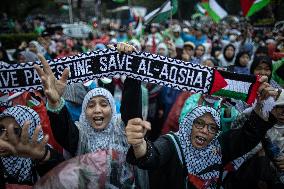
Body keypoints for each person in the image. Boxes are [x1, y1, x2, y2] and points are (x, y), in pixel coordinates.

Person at [125, 75, 280, 188]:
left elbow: (248, 135)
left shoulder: (218, 147)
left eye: (212, 128)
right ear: (188, 124)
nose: (205, 131)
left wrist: (264, 104)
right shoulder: (173, 143)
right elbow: (152, 156)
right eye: (199, 124)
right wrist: (139, 144)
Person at [34, 44, 147, 188]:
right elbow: (64, 132)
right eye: (91, 105)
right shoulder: (80, 133)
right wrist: (55, 103)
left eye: (104, 104)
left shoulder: (122, 127)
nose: (97, 110)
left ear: (113, 109)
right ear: (84, 111)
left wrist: (132, 68)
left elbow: (131, 111)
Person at [0, 105, 64, 187]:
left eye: (15, 131)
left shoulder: (41, 155)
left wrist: (43, 157)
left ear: (30, 132)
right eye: (0, 129)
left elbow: (63, 181)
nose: (3, 137)